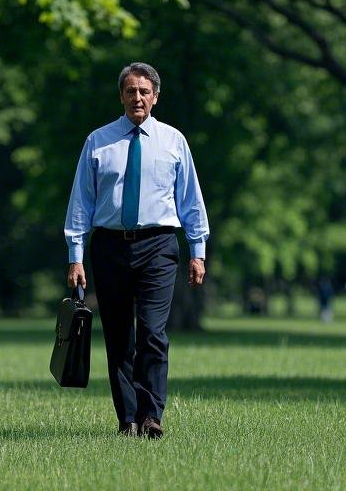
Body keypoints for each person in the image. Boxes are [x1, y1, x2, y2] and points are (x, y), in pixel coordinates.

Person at [64, 62, 210, 439]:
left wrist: (198, 249)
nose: (138, 98)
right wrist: (75, 255)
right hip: (110, 247)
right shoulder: (99, 141)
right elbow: (81, 201)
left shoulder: (174, 141)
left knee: (153, 333)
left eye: (144, 91)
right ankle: (127, 419)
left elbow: (191, 199)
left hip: (159, 245)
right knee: (118, 336)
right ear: (121, 96)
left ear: (156, 96)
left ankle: (151, 415)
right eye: (131, 91)